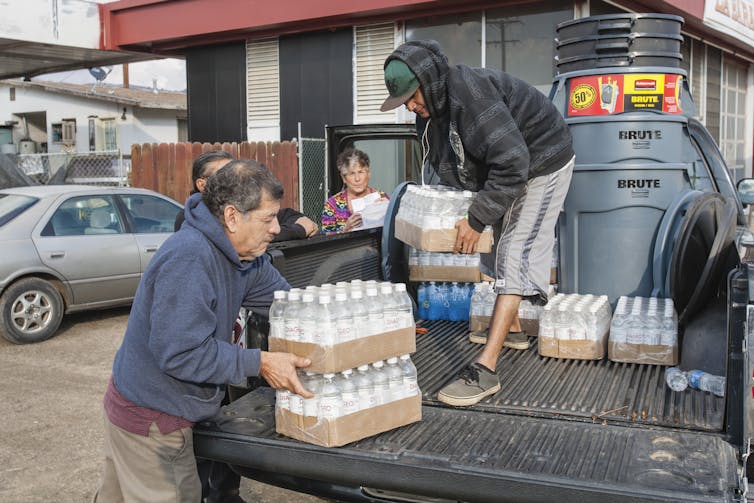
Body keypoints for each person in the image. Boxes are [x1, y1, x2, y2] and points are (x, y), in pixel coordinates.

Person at [94, 160, 313, 502]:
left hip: (162, 410)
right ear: (231, 216)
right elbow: (183, 353)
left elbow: (287, 301)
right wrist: (261, 362)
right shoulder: (190, 258)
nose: (275, 229)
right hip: (152, 420)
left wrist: (350, 323)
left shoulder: (246, 257)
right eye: (268, 219)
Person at [381, 40, 574, 407]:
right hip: (511, 166)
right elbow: (448, 166)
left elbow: (514, 163)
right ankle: (513, 330)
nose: (409, 106)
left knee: (514, 251)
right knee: (492, 242)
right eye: (403, 101)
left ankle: (486, 369)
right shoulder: (436, 109)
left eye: (411, 96)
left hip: (542, 160)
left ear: (429, 79)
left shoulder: (471, 98)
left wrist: (474, 217)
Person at [176, 150, 318, 240]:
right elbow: (245, 238)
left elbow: (285, 215)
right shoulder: (191, 217)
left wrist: (300, 221)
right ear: (202, 184)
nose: (236, 179)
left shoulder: (239, 204)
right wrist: (298, 230)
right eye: (225, 175)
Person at [320, 148, 389, 233]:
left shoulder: (382, 197)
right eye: (352, 173)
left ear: (368, 174)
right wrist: (345, 230)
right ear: (343, 178)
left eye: (361, 172)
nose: (357, 179)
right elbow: (326, 238)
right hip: (348, 246)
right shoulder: (332, 205)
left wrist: (389, 210)